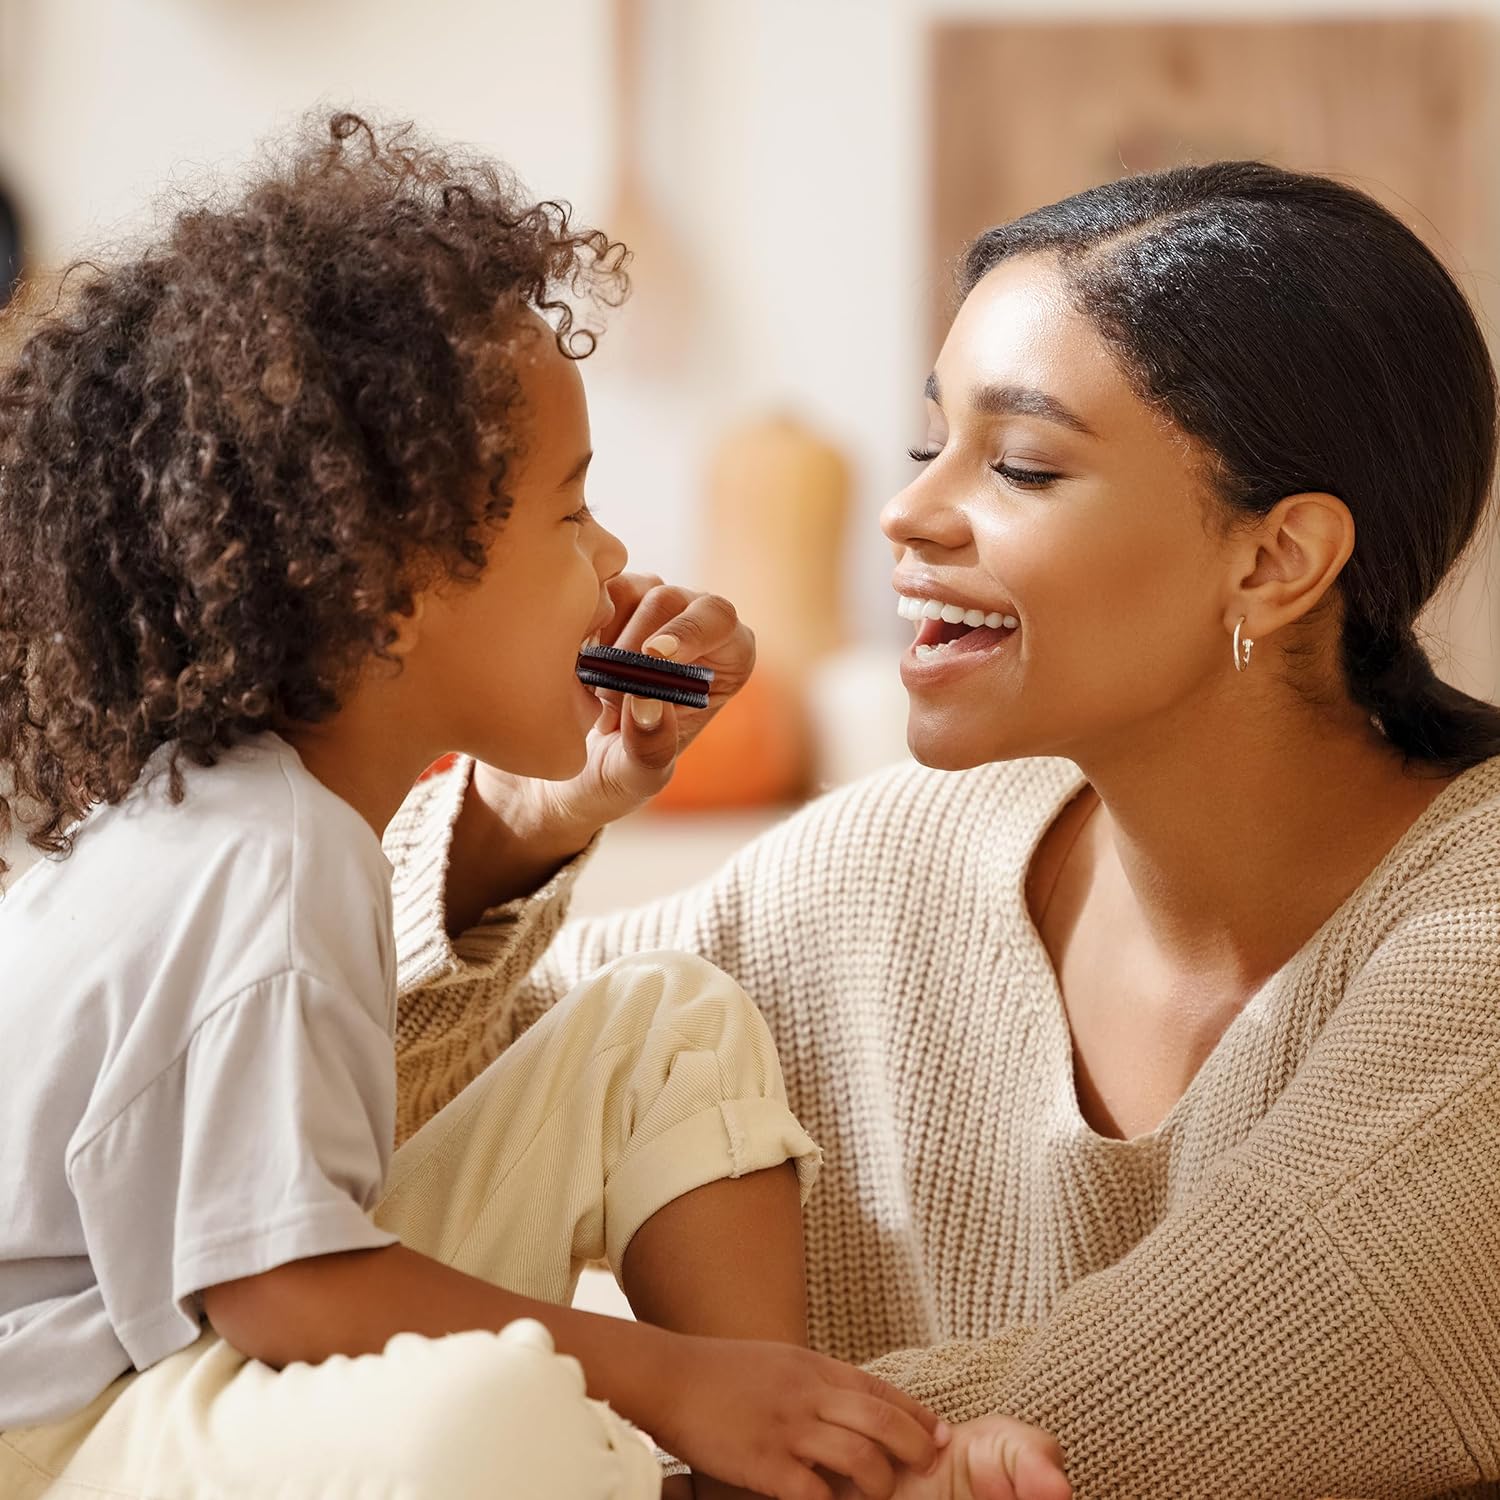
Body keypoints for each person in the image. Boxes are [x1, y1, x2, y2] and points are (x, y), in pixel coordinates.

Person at [387, 162, 1500, 1498]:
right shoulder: (886, 865)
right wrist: (524, 821)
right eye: (932, 447)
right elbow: (317, 1154)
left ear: (1276, 560)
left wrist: (540, 1414)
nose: (909, 514)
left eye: (1021, 464)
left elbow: (1129, 1424)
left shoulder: (1474, 953)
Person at [0, 113, 1072, 1500]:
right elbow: (284, 1294)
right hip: (67, 1434)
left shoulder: (270, 820)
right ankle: (743, 1438)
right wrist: (675, 1380)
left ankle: (793, 1464)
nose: (615, 556)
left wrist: (591, 787)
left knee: (662, 1029)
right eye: (570, 514)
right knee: (487, 1425)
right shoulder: (263, 858)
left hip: (188, 1353)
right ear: (383, 593)